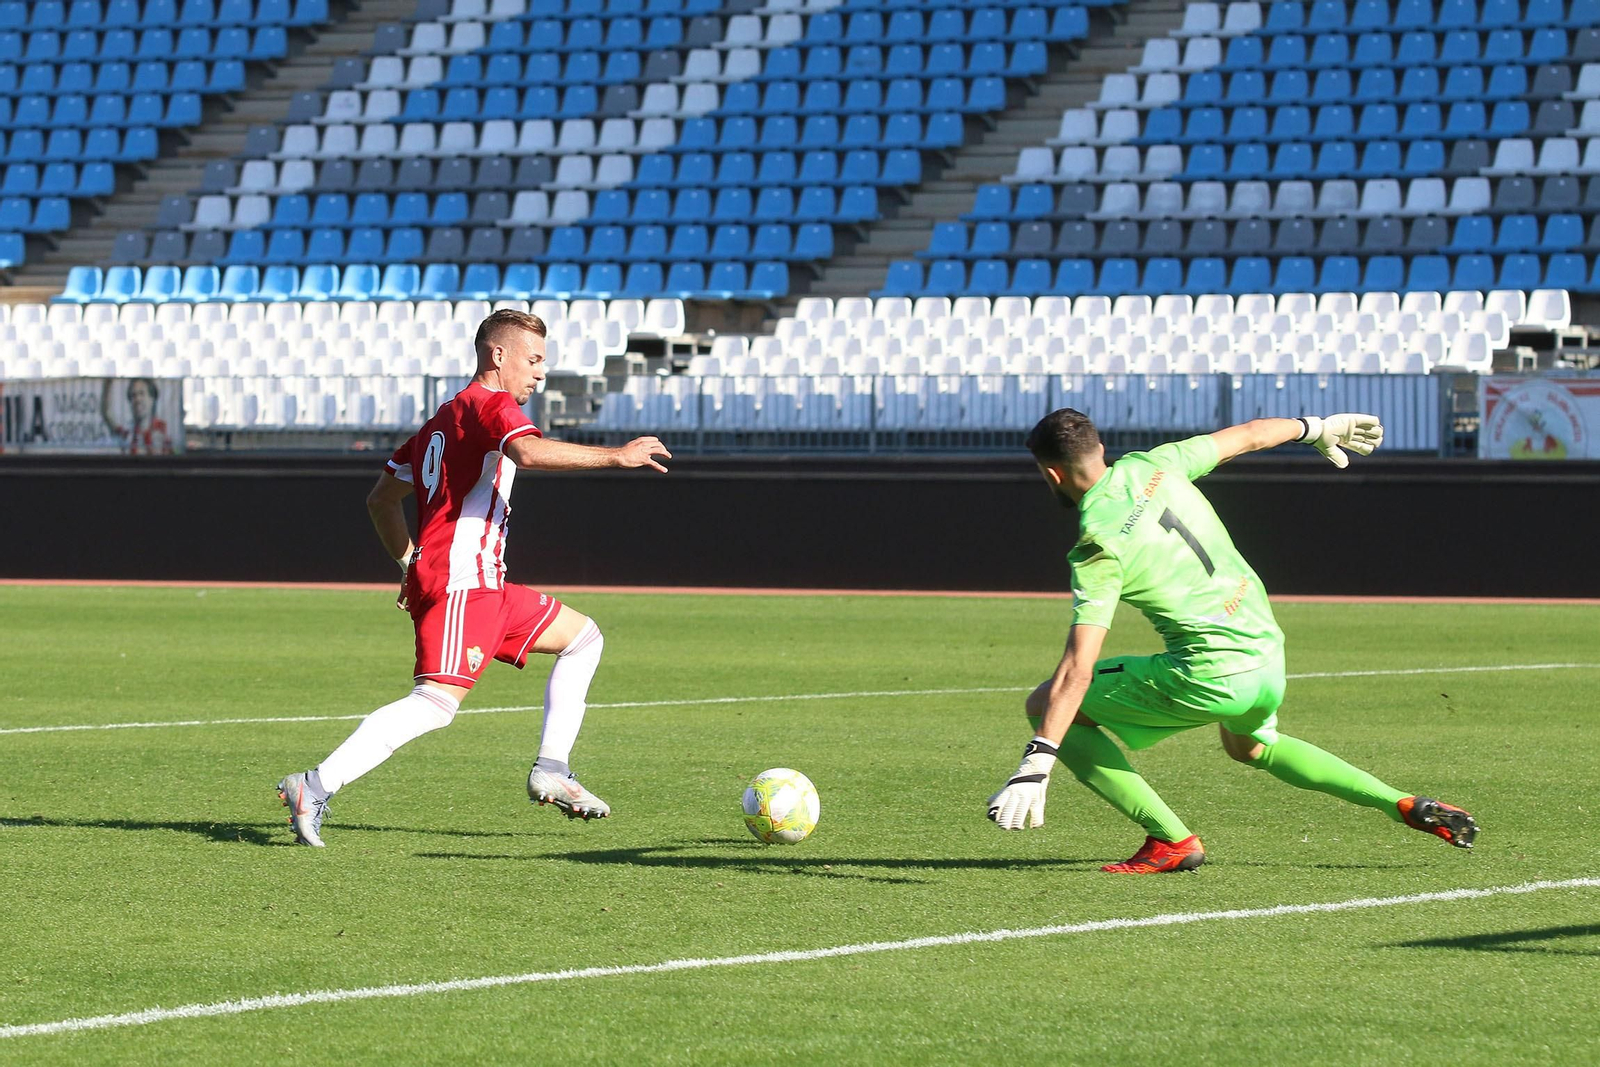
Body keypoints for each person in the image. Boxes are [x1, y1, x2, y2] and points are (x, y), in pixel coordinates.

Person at [986, 409, 1479, 872]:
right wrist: (1313, 427)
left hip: (1210, 673)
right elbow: (1246, 436)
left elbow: (1078, 668)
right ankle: (1402, 803)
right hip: (1266, 654)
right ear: (1102, 448)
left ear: (1051, 474)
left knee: (1047, 702)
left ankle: (1170, 841)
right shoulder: (1154, 465)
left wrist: (1040, 757)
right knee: (1252, 748)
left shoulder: (1097, 543)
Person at [277, 309, 670, 847]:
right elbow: (527, 451)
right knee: (435, 705)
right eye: (533, 361)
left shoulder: (440, 420)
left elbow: (380, 501)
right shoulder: (490, 405)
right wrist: (616, 456)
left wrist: (410, 563)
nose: (539, 374)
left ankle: (553, 768)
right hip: (465, 581)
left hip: (483, 581)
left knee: (583, 638)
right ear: (497, 356)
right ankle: (314, 786)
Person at [102, 377, 173, 455]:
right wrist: (108, 383)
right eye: (133, 395)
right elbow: (107, 414)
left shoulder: (162, 429)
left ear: (152, 398)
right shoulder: (129, 433)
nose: (137, 399)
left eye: (141, 393)